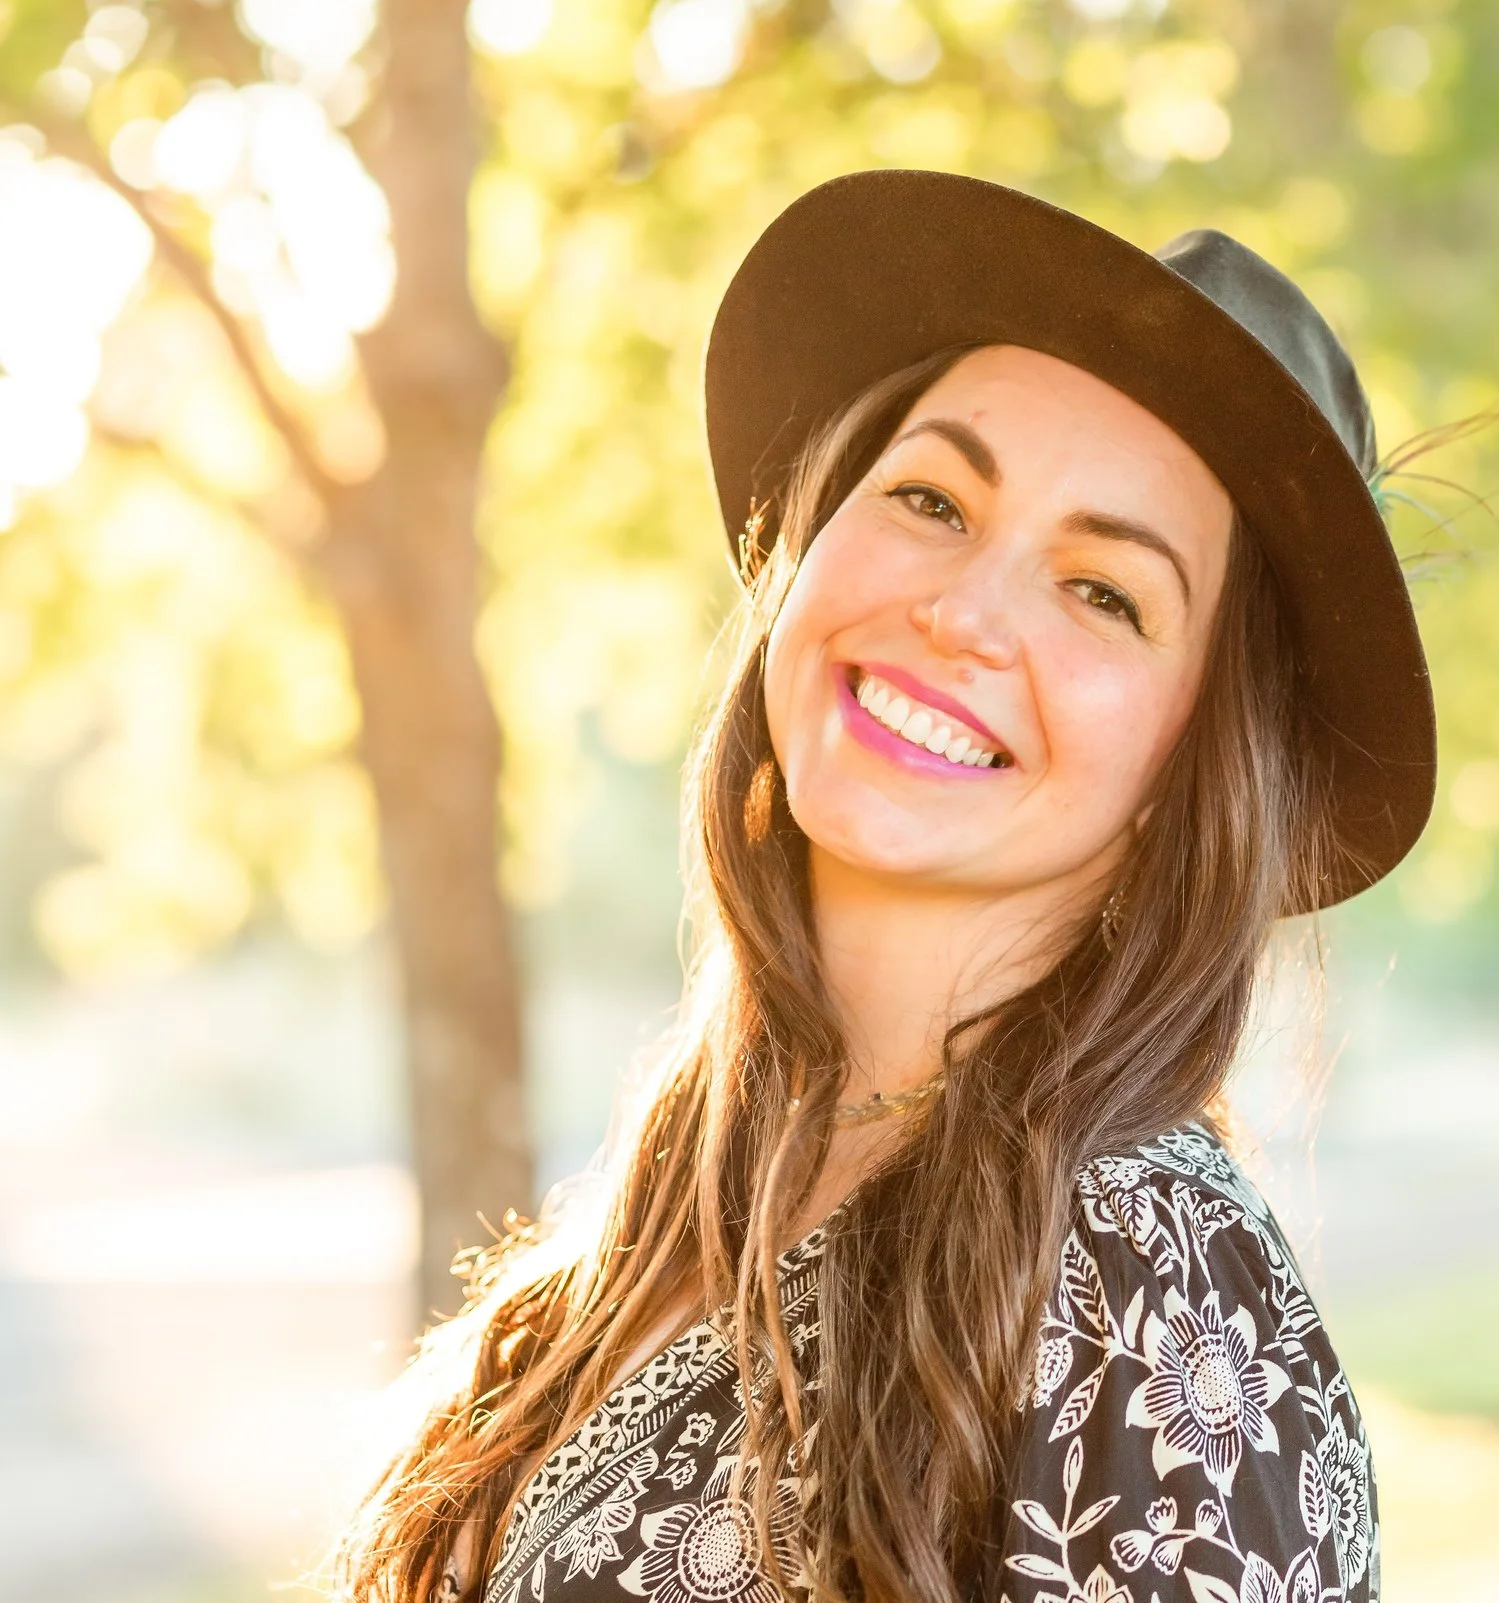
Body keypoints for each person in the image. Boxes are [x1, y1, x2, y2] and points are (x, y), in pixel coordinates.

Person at [323, 168, 1441, 1603]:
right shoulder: (690, 1194)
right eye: (930, 498)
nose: (961, 612)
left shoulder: (1143, 1294)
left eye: (1106, 591)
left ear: (1193, 762)